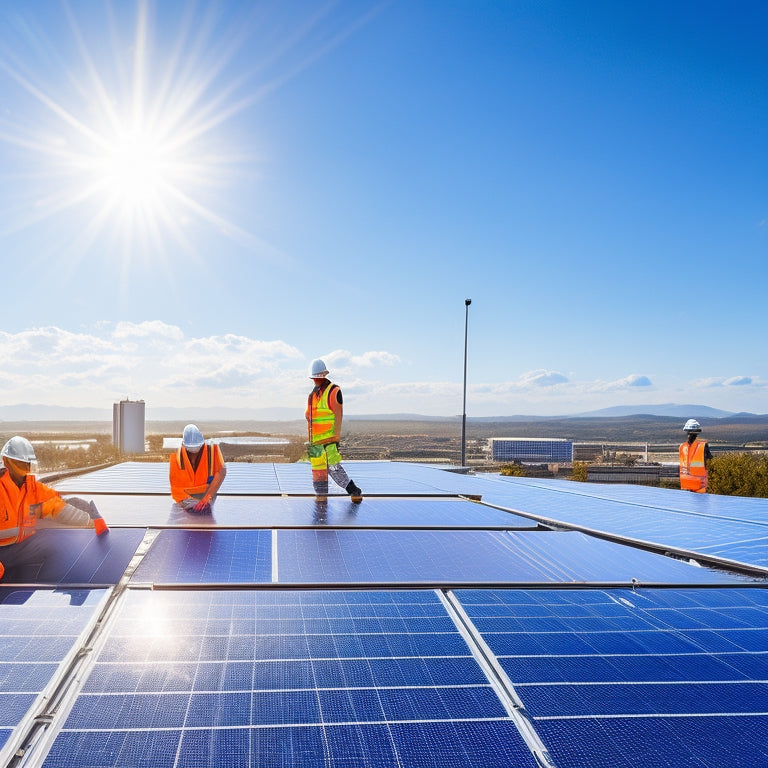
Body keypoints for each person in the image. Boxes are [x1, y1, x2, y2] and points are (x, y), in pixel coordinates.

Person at [0, 436, 107, 581]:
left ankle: (46, 590)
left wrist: (90, 519)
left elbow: (56, 505)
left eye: (26, 464)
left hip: (20, 548)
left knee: (57, 540)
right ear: (6, 462)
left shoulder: (32, 488)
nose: (24, 469)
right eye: (19, 464)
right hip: (2, 554)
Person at [305, 358, 363, 502]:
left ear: (325, 375)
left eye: (319, 377)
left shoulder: (334, 391)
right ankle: (321, 500)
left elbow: (338, 416)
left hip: (329, 440)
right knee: (318, 473)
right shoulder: (312, 395)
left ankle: (354, 491)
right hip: (315, 443)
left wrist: (336, 438)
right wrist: (310, 441)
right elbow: (310, 419)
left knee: (334, 469)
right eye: (315, 378)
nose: (316, 380)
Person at [169, 424, 227, 513]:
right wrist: (190, 502)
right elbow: (175, 487)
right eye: (190, 448)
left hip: (208, 494)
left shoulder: (213, 450)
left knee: (203, 512)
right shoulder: (175, 456)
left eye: (197, 447)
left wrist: (208, 496)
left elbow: (221, 471)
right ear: (184, 445)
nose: (194, 450)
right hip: (185, 498)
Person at [679, 418, 712, 493]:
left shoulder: (682, 447)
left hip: (692, 486)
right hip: (691, 486)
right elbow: (710, 461)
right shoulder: (702, 446)